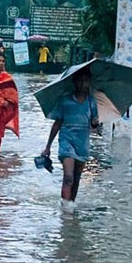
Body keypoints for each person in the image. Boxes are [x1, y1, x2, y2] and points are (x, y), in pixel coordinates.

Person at [42, 67, 100, 202]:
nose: (82, 84)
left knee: (76, 178)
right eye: (79, 81)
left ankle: (70, 204)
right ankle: (65, 208)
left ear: (89, 83)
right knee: (68, 176)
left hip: (82, 143)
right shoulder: (65, 101)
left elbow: (94, 125)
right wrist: (48, 146)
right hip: (66, 141)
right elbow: (57, 123)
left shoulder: (92, 102)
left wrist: (95, 123)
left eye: (85, 81)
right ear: (74, 82)